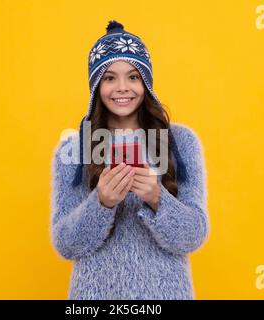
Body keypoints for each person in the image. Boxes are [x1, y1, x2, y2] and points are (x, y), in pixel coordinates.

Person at [50, 20, 210, 299]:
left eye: (133, 76)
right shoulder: (73, 150)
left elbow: (193, 236)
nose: (122, 87)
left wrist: (157, 197)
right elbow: (66, 244)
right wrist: (101, 203)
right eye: (110, 77)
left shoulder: (180, 142)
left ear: (146, 82)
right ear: (96, 85)